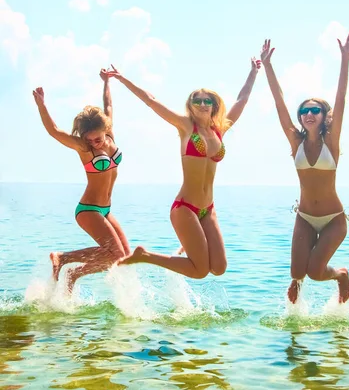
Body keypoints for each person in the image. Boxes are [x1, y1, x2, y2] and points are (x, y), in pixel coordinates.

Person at [111, 58, 260, 278]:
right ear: (190, 105)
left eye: (206, 101)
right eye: (196, 100)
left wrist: (254, 71)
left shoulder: (220, 129)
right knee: (199, 271)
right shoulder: (185, 126)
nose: (201, 104)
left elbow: (242, 99)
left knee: (219, 268)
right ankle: (145, 255)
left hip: (207, 209)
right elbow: (151, 101)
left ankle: (188, 244)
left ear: (214, 105)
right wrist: (123, 79)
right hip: (185, 207)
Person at [260, 33, 349, 304]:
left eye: (315, 110)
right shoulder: (296, 142)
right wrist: (267, 66)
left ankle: (340, 275)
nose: (309, 114)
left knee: (316, 273)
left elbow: (341, 99)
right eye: (305, 110)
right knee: (296, 273)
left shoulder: (332, 142)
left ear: (323, 115)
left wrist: (345, 58)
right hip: (304, 216)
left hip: (333, 219)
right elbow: (279, 101)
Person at [32, 68, 130, 292]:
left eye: (98, 138)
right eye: (90, 139)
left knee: (123, 257)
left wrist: (107, 82)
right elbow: (54, 131)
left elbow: (109, 106)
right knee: (115, 254)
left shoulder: (110, 134)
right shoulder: (84, 148)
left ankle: (74, 274)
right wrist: (42, 105)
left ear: (105, 130)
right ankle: (63, 258)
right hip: (88, 210)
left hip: (105, 209)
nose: (95, 142)